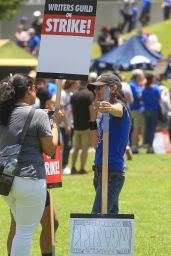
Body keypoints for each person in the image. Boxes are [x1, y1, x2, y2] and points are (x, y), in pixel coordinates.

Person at [0, 74, 62, 256]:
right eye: (34, 87)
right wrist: (55, 125)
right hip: (30, 178)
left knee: (19, 228)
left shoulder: (4, 112)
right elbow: (50, 150)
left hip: (7, 180)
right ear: (29, 89)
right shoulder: (38, 114)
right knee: (24, 233)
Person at [87, 73, 131, 214]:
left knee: (97, 217)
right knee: (111, 220)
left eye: (100, 88)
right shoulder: (103, 117)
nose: (96, 92)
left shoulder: (119, 108)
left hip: (112, 172)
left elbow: (119, 110)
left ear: (112, 88)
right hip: (99, 171)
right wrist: (92, 121)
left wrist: (109, 107)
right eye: (95, 89)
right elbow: (96, 145)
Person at [71, 81, 94, 174]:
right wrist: (93, 122)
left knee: (76, 148)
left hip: (76, 125)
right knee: (85, 148)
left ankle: (72, 167)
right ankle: (82, 168)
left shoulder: (74, 94)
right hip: (86, 125)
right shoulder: (89, 94)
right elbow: (91, 109)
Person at [60, 80, 78, 174]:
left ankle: (64, 165)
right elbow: (62, 111)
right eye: (76, 83)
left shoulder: (70, 94)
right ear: (72, 84)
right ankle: (63, 166)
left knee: (69, 145)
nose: (77, 85)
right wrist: (67, 125)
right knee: (67, 145)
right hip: (64, 124)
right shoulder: (63, 94)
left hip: (70, 123)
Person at [142, 74, 161, 153]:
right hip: (154, 110)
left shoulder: (144, 89)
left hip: (146, 110)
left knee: (147, 128)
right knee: (152, 129)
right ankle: (151, 146)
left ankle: (147, 145)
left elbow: (142, 99)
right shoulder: (156, 88)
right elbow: (159, 99)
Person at [129, 69, 146, 153]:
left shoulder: (135, 84)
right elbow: (139, 95)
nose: (143, 77)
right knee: (136, 129)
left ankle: (135, 145)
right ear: (138, 76)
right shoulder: (133, 85)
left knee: (137, 129)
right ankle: (134, 147)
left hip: (137, 109)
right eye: (142, 75)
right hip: (135, 110)